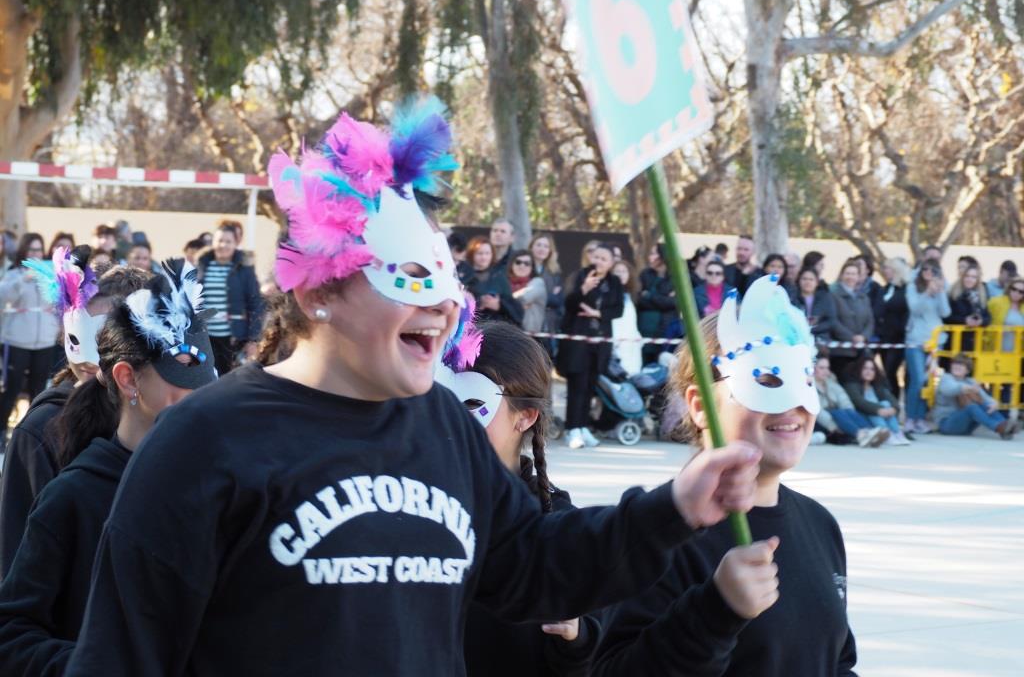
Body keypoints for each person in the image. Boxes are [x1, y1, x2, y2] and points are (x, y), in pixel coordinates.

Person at [64, 100, 761, 676]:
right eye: (411, 278)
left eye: (446, 278)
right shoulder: (206, 440)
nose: (445, 305)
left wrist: (672, 508)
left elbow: (530, 566)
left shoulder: (444, 427)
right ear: (317, 293)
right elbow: (122, 654)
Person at [593, 276, 858, 676]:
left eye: (803, 379)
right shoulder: (656, 535)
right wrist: (715, 611)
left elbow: (837, 663)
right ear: (700, 406)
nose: (792, 405)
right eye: (767, 379)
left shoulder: (820, 525)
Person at [0, 261, 217, 674]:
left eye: (206, 376)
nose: (198, 393)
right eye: (181, 372)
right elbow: (12, 631)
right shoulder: (73, 495)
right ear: (128, 379)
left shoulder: (221, 485)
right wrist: (96, 664)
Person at [437, 321, 601, 676]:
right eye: (442, 400)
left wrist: (575, 637)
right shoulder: (413, 505)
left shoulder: (556, 527)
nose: (453, 420)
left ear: (525, 417)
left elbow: (585, 661)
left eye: (472, 403)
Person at [0, 254, 149, 579]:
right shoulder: (40, 431)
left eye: (103, 336)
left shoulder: (157, 418)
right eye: (79, 334)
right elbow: (15, 555)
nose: (88, 357)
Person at [557, 243, 624, 449]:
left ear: (611, 263)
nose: (599, 262)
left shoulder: (614, 282)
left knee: (590, 386)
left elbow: (618, 310)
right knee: (577, 385)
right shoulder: (580, 275)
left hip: (600, 341)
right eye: (596, 257)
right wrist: (584, 289)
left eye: (604, 259)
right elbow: (569, 303)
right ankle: (572, 429)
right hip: (579, 340)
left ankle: (584, 426)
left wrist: (598, 314)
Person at [0, 234, 59, 442]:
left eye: (39, 250)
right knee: (12, 388)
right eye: (32, 250)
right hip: (17, 340)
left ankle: (34, 433)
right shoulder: (13, 274)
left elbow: (58, 301)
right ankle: (2, 431)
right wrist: (22, 280)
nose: (35, 254)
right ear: (24, 251)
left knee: (39, 390)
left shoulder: (50, 274)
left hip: (44, 341)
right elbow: (3, 297)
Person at [195, 223, 264, 375]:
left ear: (235, 244)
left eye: (228, 241)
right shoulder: (202, 266)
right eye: (220, 240)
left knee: (231, 379)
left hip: (234, 339)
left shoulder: (244, 269)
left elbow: (256, 304)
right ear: (213, 242)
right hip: (206, 338)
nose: (223, 245)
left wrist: (253, 339)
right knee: (208, 379)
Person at [905, 260, 950, 433]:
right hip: (916, 341)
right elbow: (915, 309)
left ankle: (921, 418)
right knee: (917, 380)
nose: (928, 272)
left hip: (934, 342)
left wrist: (940, 292)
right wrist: (927, 293)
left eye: (933, 270)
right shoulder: (912, 287)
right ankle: (911, 417)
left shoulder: (940, 289)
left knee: (928, 381)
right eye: (925, 269)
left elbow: (945, 312)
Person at [933, 354, 1018, 439]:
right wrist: (967, 388)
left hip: (967, 427)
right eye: (955, 364)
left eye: (961, 365)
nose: (957, 366)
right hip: (947, 424)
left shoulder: (970, 381)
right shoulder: (946, 378)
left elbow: (985, 397)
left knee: (985, 404)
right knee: (971, 407)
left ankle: (1005, 426)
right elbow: (949, 389)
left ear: (967, 370)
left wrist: (993, 403)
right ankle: (1000, 428)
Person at [813, 355, 888, 447]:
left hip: (840, 418)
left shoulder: (831, 383)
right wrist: (833, 426)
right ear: (813, 369)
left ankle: (869, 432)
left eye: (827, 368)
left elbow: (844, 399)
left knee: (847, 411)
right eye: (821, 368)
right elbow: (817, 412)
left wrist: (850, 413)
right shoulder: (809, 386)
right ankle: (861, 435)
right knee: (838, 413)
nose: (826, 371)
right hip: (821, 422)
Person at [843, 355, 910, 445]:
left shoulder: (877, 385)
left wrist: (893, 409)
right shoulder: (852, 385)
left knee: (886, 403)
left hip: (880, 417)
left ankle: (897, 433)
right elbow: (859, 403)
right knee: (881, 406)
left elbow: (891, 398)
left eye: (872, 369)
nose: (869, 372)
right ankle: (887, 434)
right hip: (862, 417)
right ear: (859, 369)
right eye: (865, 368)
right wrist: (878, 410)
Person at [463, 236, 523, 326]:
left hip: (493, 326)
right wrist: (479, 302)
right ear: (472, 254)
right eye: (480, 253)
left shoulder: (499, 277)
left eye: (487, 253)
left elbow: (514, 307)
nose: (484, 257)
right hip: (470, 326)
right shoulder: (463, 275)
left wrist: (499, 305)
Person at [829, 260, 874, 378]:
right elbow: (833, 320)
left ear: (858, 277)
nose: (850, 277)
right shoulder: (833, 294)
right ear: (842, 275)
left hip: (860, 350)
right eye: (847, 273)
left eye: (854, 274)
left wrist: (863, 337)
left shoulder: (863, 297)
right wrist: (851, 338)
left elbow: (870, 321)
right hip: (841, 351)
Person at [875, 258, 910, 397]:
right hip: (884, 338)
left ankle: (897, 400)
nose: (885, 271)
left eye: (888, 268)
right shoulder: (885, 289)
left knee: (891, 370)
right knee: (887, 373)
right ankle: (893, 400)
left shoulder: (906, 290)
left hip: (899, 339)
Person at [637, 244, 675, 363]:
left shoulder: (674, 278)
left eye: (653, 254)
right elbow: (639, 300)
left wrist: (649, 295)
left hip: (665, 329)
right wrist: (662, 299)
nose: (650, 257)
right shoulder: (644, 274)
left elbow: (672, 303)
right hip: (644, 329)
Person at [529, 233, 564, 355]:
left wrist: (538, 297)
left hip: (548, 326)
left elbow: (558, 301)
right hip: (527, 324)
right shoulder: (523, 266)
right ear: (531, 247)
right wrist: (548, 296)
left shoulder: (554, 272)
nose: (542, 249)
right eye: (538, 245)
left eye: (546, 246)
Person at [945, 262, 990, 353]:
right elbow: (946, 317)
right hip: (955, 344)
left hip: (975, 344)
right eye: (967, 276)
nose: (970, 279)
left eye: (973, 277)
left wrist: (981, 321)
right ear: (962, 277)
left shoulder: (981, 296)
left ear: (977, 279)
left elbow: (988, 317)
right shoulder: (953, 294)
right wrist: (965, 320)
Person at [611, 259, 642, 376]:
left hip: (632, 344)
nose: (621, 274)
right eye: (617, 271)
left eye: (624, 271)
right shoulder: (610, 294)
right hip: (616, 344)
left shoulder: (629, 295)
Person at [791, 267, 836, 341]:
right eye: (804, 279)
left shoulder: (825, 297)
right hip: (797, 337)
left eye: (811, 279)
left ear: (817, 282)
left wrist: (811, 330)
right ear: (799, 280)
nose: (807, 282)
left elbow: (831, 321)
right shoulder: (792, 298)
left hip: (820, 337)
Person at [508, 250, 547, 334]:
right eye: (518, 262)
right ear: (511, 265)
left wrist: (503, 302)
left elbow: (523, 299)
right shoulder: (505, 282)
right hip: (507, 331)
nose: (522, 266)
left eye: (527, 263)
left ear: (532, 267)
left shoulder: (537, 282)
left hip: (528, 335)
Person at [987, 276, 1024, 354]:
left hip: (1018, 353)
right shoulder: (996, 302)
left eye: (1021, 292)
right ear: (1009, 288)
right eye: (1014, 289)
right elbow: (984, 317)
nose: (1016, 293)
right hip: (995, 349)